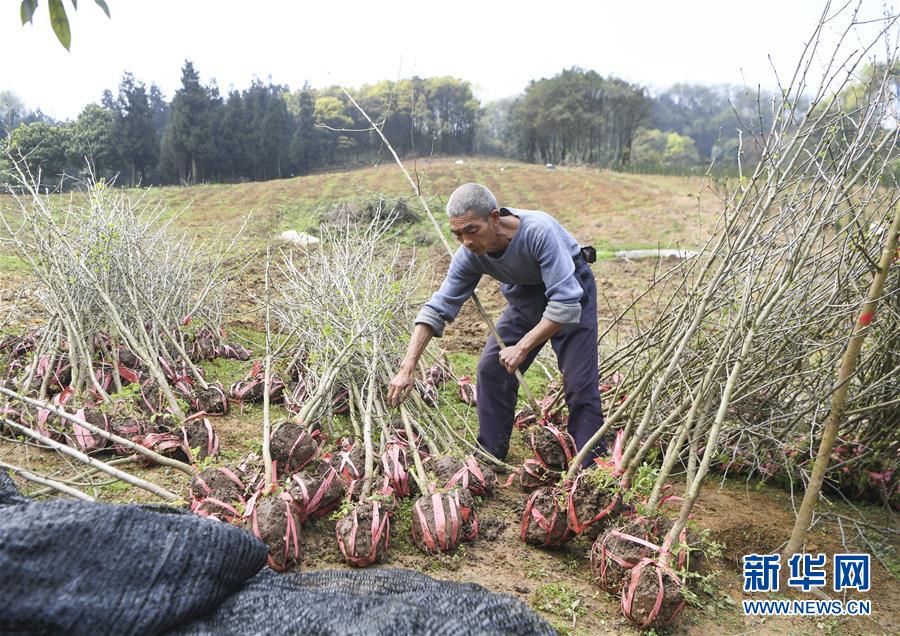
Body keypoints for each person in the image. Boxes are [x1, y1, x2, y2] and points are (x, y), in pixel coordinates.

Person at [388, 183, 605, 466]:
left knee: (579, 383)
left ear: (493, 218)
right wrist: (407, 368)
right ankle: (491, 454)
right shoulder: (470, 254)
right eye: (457, 234)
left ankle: (590, 469)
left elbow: (565, 305)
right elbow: (438, 306)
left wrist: (523, 347)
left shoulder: (538, 231)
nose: (465, 241)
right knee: (492, 369)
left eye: (471, 230)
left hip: (571, 291)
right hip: (526, 296)